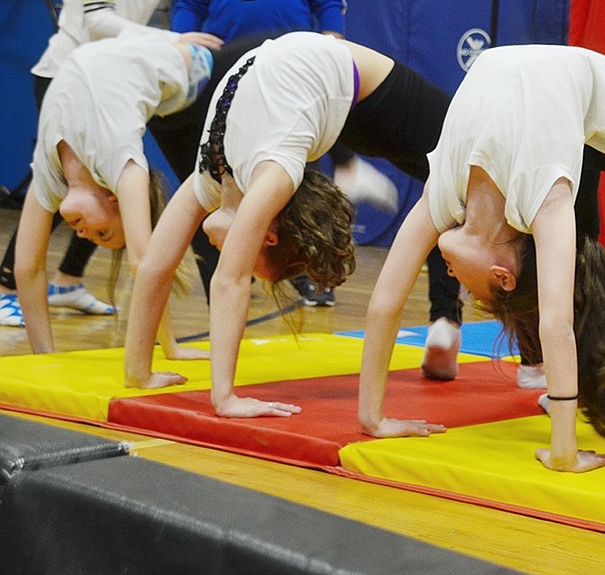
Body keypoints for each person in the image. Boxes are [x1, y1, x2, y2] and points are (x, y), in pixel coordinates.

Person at [357, 44, 605, 472]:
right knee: (574, 254)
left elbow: (555, 323)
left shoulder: (464, 193)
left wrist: (563, 452)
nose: (452, 278)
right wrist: (372, 419)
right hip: (550, 114)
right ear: (503, 275)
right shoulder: (539, 199)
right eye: (475, 294)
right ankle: (581, 388)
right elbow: (385, 304)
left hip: (599, 110)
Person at [122, 32, 455, 407]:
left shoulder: (238, 178)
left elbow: (218, 277)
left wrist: (224, 396)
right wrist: (141, 373)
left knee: (463, 176)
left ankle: (481, 332)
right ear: (268, 239)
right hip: (331, 91)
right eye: (255, 268)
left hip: (364, 87)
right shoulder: (252, 177)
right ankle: (350, 173)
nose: (240, 259)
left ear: (268, 237)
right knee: (454, 181)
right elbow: (162, 266)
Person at [0, 0, 223, 328]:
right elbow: (98, 20)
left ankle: (67, 279)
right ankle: (8, 293)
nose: (87, 232)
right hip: (89, 67)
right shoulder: (119, 165)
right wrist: (172, 39)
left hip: (128, 67)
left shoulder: (113, 166)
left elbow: (139, 257)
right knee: (83, 191)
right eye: (103, 235)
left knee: (85, 194)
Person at [171, 0, 404, 307]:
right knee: (222, 180)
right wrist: (182, 36)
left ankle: (309, 275)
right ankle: (225, 278)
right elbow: (189, 0)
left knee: (293, 181)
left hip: (291, 63)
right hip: (229, 67)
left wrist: (331, 35)